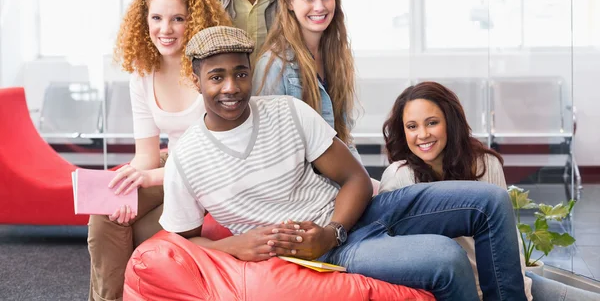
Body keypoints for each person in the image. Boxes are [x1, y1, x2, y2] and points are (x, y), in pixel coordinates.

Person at [159, 25, 529, 301]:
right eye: (216, 77)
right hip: (328, 253)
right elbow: (180, 242)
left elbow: (353, 177)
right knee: (446, 258)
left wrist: (333, 228)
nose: (231, 88)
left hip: (358, 217)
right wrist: (234, 245)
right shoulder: (186, 159)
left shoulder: (287, 111)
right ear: (196, 81)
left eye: (240, 73)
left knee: (490, 202)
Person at [379, 81, 600, 301]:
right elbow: (394, 257)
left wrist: (520, 290)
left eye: (432, 122)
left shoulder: (485, 163)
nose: (423, 134)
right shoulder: (399, 177)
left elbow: (508, 236)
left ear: (450, 122)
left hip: (506, 284)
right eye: (412, 126)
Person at [87, 0, 231, 301]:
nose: (165, 30)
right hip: (170, 167)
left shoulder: (213, 70)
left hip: (212, 175)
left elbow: (217, 157)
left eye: (178, 19)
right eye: (156, 18)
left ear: (194, 23)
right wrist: (128, 186)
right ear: (144, 21)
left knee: (137, 230)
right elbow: (147, 157)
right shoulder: (142, 73)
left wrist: (147, 180)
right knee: (106, 216)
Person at [252, 0, 357, 155]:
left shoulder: (336, 56)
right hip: (301, 180)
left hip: (339, 173)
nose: (319, 7)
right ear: (290, 3)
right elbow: (267, 145)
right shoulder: (274, 64)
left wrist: (361, 179)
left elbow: (344, 137)